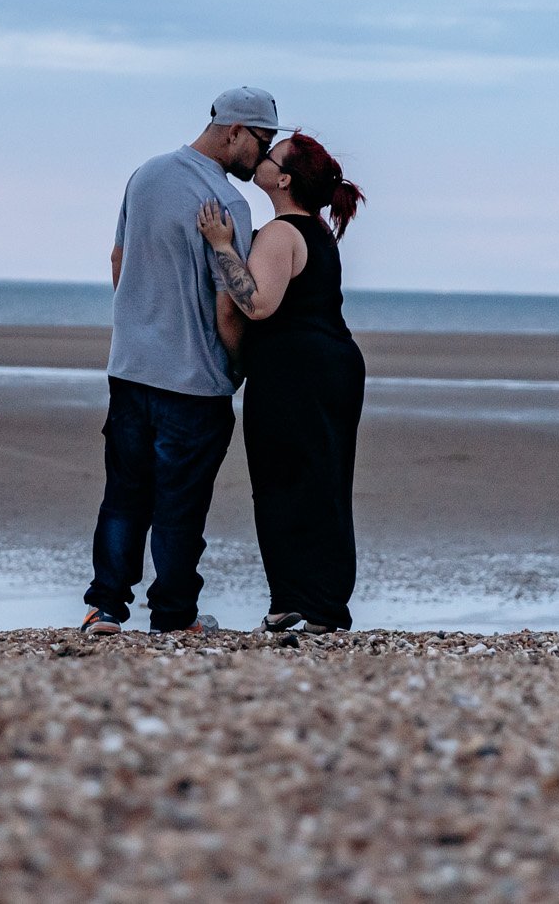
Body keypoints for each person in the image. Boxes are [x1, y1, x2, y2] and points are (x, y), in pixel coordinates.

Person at [80, 86, 290, 636]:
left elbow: (118, 258)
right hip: (193, 379)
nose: (263, 156)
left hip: (130, 367)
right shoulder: (229, 204)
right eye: (262, 141)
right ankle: (173, 616)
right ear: (235, 131)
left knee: (123, 496)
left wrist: (137, 321)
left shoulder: (146, 174)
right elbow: (229, 306)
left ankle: (105, 609)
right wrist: (237, 369)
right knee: (180, 505)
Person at [196, 133, 367, 634]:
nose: (263, 160)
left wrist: (222, 246)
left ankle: (295, 601)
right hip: (332, 365)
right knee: (326, 480)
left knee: (281, 481)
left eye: (272, 157)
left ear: (284, 178)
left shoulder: (281, 232)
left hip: (296, 372)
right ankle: (324, 603)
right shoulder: (317, 232)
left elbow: (257, 303)